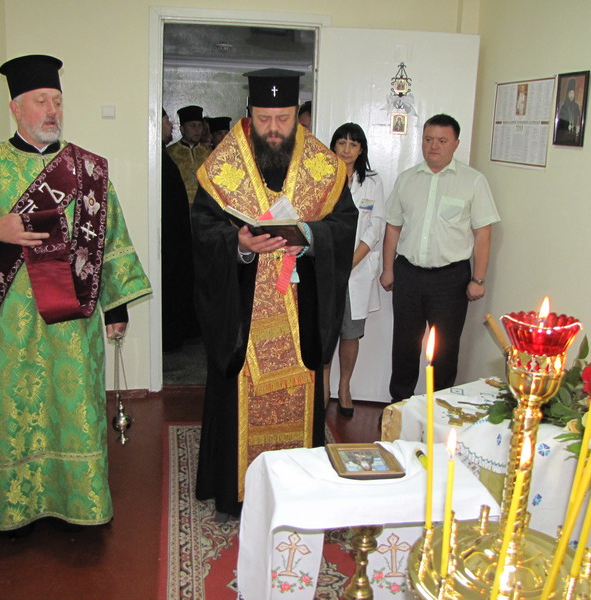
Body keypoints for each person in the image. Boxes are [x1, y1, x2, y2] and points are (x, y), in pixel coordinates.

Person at [0, 55, 152, 536]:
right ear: (15, 107)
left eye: (57, 101)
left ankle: (81, 502)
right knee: (13, 410)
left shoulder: (88, 170)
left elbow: (111, 240)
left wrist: (116, 307)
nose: (52, 111)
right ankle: (15, 509)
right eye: (41, 101)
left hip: (74, 322)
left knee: (74, 407)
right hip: (10, 321)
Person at [192, 69, 357, 518]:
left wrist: (310, 236)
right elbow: (202, 229)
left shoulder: (324, 167)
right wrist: (239, 246)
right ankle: (237, 493)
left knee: (300, 394)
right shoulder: (222, 167)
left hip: (301, 312)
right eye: (264, 119)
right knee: (239, 396)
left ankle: (296, 490)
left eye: (283, 119)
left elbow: (344, 225)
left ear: (296, 116)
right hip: (242, 317)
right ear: (250, 114)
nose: (273, 129)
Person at [380, 114, 499, 400]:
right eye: (428, 139)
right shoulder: (407, 179)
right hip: (408, 274)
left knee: (444, 351)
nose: (434, 146)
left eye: (442, 141)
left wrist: (478, 279)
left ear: (455, 144)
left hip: (450, 279)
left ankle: (440, 410)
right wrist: (388, 269)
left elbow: (483, 233)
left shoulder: (473, 181)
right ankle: (399, 406)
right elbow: (393, 226)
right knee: (404, 346)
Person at [323, 123, 386, 417]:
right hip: (325, 268)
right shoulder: (321, 178)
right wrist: (333, 263)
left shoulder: (372, 183)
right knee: (325, 333)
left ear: (361, 150)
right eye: (342, 143)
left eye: (353, 144)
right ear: (333, 146)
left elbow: (375, 227)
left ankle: (345, 388)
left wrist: (349, 263)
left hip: (356, 270)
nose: (346, 150)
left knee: (350, 333)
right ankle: (323, 388)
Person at [161, 109, 198, 351]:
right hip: (176, 231)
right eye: (167, 121)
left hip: (201, 226)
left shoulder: (208, 153)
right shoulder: (169, 154)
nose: (170, 125)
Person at [167, 105, 211, 205]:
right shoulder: (170, 153)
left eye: (199, 125)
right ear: (182, 129)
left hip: (204, 208)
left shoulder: (209, 153)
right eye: (192, 126)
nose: (197, 130)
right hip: (179, 206)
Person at [556, 78, 581, 144]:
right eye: (570, 93)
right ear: (567, 94)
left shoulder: (576, 106)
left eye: (573, 93)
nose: (571, 95)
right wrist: (567, 127)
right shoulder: (564, 107)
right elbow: (560, 124)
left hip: (574, 134)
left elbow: (578, 119)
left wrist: (577, 126)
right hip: (565, 135)